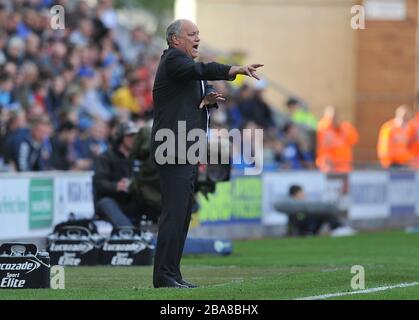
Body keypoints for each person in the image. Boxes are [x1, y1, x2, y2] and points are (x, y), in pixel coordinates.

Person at [151, 19, 263, 288]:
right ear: (175, 39)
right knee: (174, 214)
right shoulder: (174, 60)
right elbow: (202, 70)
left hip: (185, 148)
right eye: (192, 34)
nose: (197, 38)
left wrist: (209, 95)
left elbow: (198, 86)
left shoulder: (183, 66)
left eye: (198, 33)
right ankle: (164, 276)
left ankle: (173, 274)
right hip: (173, 148)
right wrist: (234, 69)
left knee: (182, 214)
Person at [93, 121, 142, 227]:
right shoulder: (105, 157)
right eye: (130, 135)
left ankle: (161, 234)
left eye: (136, 136)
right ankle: (128, 232)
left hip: (131, 199)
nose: (134, 139)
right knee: (106, 203)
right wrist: (116, 186)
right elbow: (98, 182)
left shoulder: (139, 157)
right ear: (120, 137)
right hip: (111, 199)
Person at [285, 185, 355, 237]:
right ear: (296, 193)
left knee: (324, 214)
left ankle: (339, 229)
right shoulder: (290, 205)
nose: (304, 194)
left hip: (308, 223)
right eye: (301, 192)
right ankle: (339, 229)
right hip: (302, 226)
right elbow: (293, 221)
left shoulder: (304, 203)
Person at [316, 106, 359, 173]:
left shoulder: (344, 127)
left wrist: (342, 129)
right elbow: (324, 149)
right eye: (331, 117)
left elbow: (354, 139)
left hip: (344, 166)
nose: (333, 119)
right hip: (330, 167)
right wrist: (326, 164)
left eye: (335, 116)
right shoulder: (324, 128)